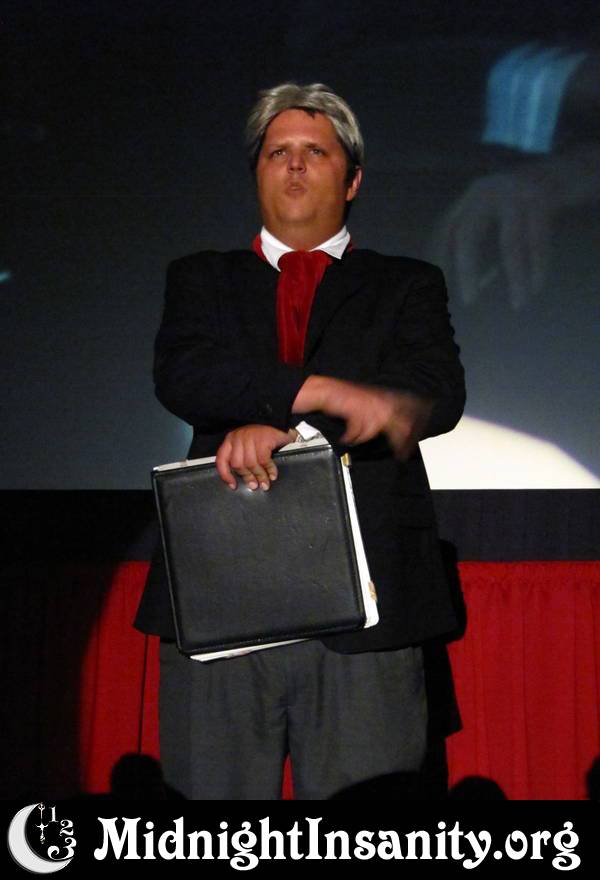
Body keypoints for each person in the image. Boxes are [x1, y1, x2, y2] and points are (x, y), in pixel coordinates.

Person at [134, 82, 466, 800]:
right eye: (276, 152)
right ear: (256, 173)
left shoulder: (408, 285)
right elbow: (186, 375)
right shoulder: (202, 278)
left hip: (368, 610)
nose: (293, 165)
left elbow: (432, 396)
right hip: (222, 596)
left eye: (315, 152)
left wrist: (287, 431)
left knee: (368, 832)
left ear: (352, 180)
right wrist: (316, 395)